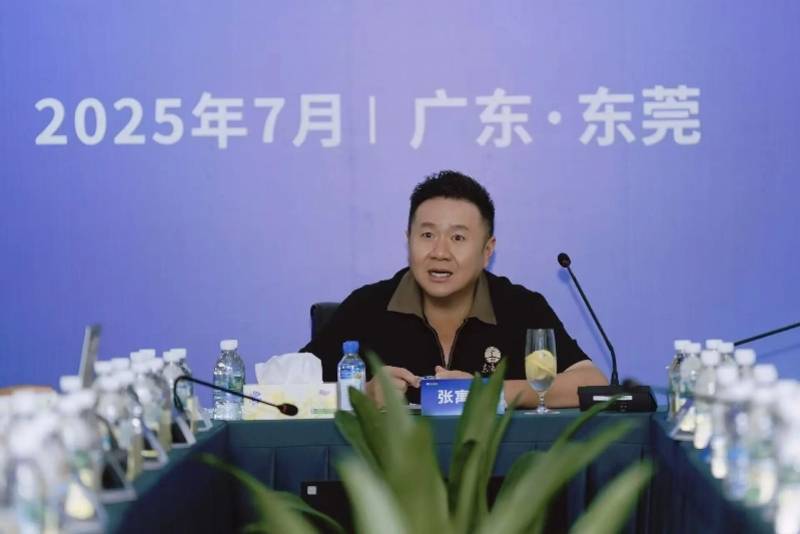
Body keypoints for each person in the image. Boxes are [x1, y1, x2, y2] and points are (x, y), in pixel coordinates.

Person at [302, 170, 608, 408]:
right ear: (408, 240)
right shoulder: (367, 307)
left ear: (487, 250)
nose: (439, 252)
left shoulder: (520, 307)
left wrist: (490, 393)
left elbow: (591, 382)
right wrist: (360, 396)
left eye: (458, 238)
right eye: (427, 235)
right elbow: (286, 395)